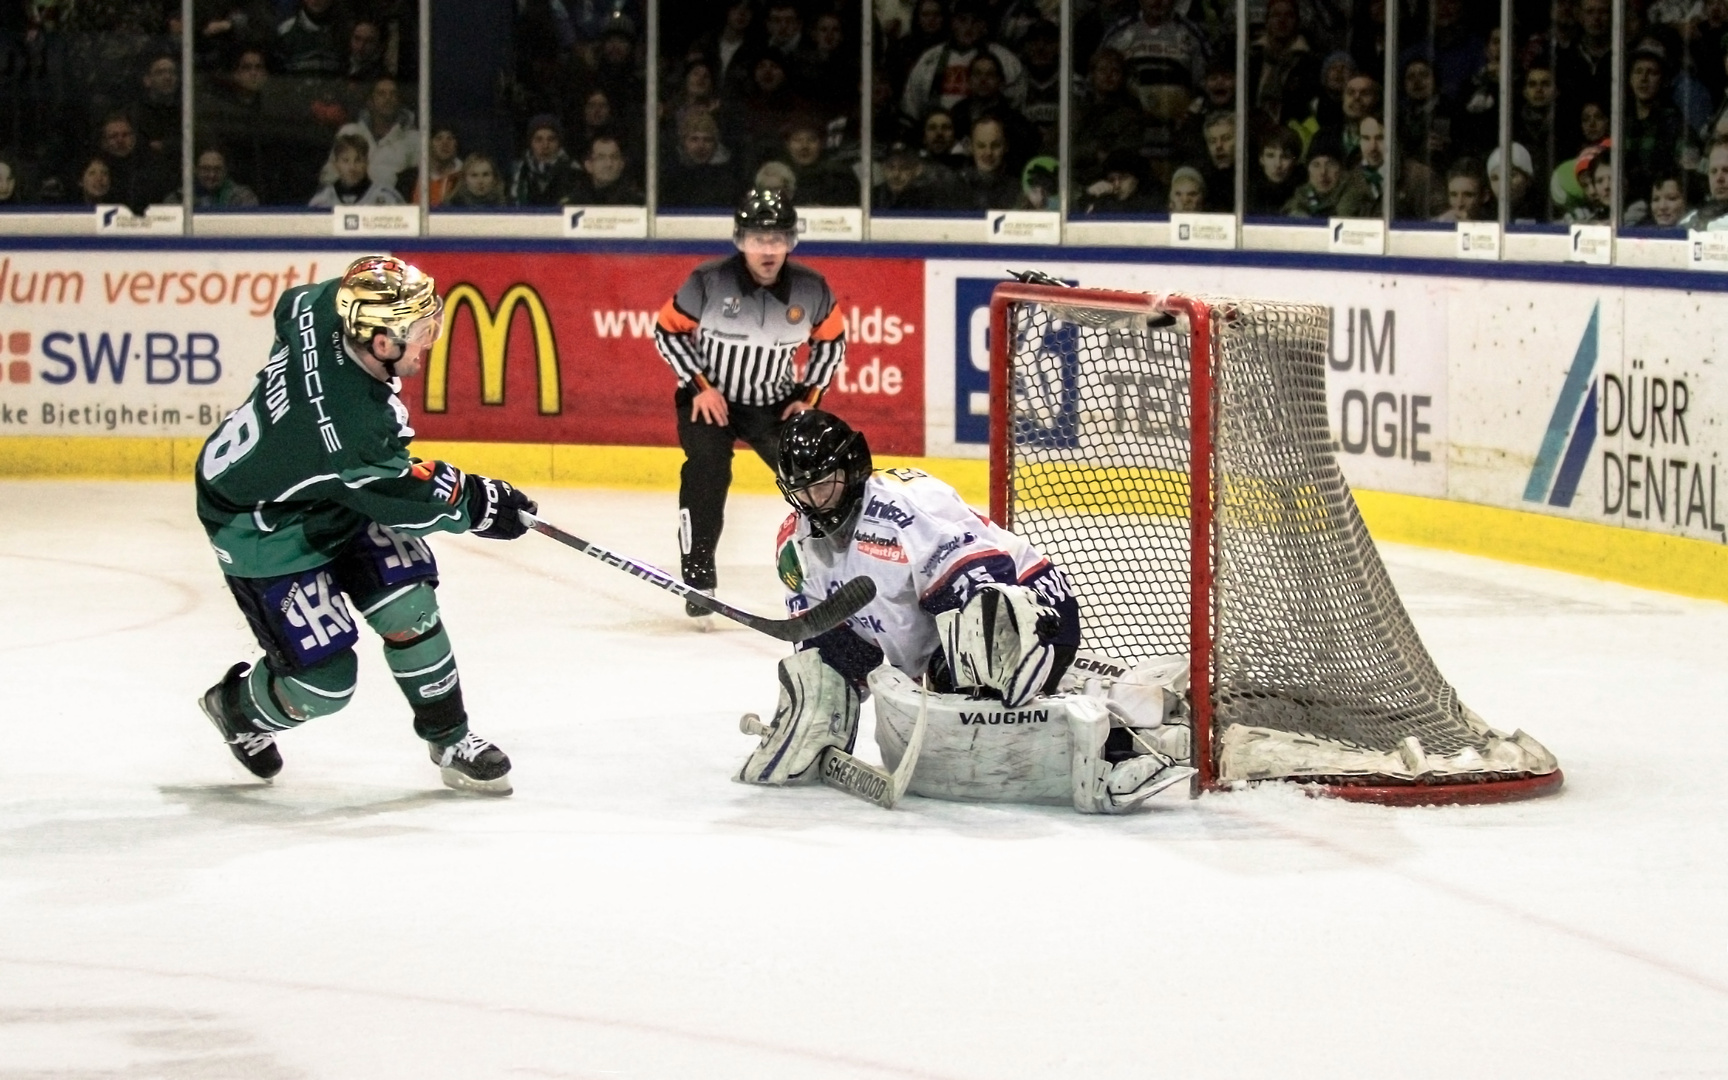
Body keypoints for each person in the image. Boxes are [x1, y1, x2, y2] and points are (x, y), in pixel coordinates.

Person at [194, 256, 537, 795]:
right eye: (421, 334)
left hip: (328, 483)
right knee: (323, 686)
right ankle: (236, 709)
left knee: (409, 605)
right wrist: (482, 503)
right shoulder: (354, 431)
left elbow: (291, 306)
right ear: (380, 342)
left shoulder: (327, 305)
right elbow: (406, 497)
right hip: (261, 525)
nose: (429, 343)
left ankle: (450, 738)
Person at [740, 408, 1192, 813]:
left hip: (1034, 609)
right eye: (803, 490)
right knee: (822, 665)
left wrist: (970, 683)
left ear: (852, 466)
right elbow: (824, 639)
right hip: (953, 637)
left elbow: (991, 598)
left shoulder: (905, 511)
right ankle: (1117, 698)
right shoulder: (795, 544)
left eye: (824, 484)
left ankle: (1123, 743)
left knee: (980, 652)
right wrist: (819, 702)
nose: (815, 501)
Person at [652, 189, 847, 619]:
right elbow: (666, 330)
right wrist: (700, 386)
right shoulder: (708, 281)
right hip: (709, 403)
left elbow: (832, 342)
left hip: (773, 405)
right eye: (759, 239)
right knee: (707, 470)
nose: (769, 249)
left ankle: (842, 577)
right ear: (740, 241)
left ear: (791, 242)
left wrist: (809, 400)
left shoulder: (811, 289)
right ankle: (698, 576)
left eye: (778, 239)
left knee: (818, 480)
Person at [309, 133, 405, 206]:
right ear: (336, 164)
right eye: (345, 161)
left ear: (366, 163)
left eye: (358, 160)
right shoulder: (322, 200)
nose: (352, 167)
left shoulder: (387, 198)